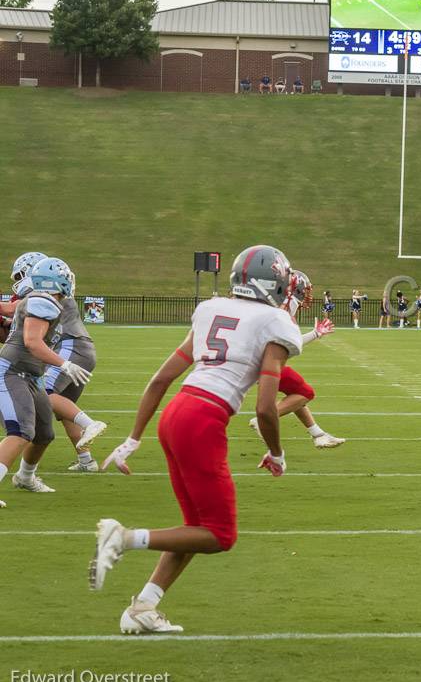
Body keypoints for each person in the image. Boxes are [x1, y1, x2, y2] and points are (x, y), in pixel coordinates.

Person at [89, 245, 302, 634]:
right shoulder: (275, 321)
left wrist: (133, 438)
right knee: (220, 535)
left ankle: (143, 607)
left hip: (176, 413)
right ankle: (122, 538)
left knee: (195, 526)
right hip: (203, 419)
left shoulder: (212, 309)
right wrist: (277, 453)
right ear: (274, 282)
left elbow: (160, 379)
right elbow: (266, 407)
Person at [0, 257, 91, 506]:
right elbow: (31, 342)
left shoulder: (41, 300)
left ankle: (25, 477)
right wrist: (65, 364)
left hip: (32, 375)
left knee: (43, 433)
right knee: (20, 431)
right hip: (13, 372)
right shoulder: (42, 301)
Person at [248, 270, 345, 450]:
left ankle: (318, 434)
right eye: (303, 289)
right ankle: (264, 421)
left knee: (296, 393)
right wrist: (315, 334)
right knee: (305, 393)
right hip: (264, 362)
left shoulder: (273, 305)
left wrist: (315, 334)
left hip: (259, 359)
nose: (306, 294)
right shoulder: (283, 309)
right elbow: (289, 346)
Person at [41, 261, 108, 473]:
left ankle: (90, 424)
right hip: (80, 348)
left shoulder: (48, 297)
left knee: (45, 392)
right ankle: (87, 460)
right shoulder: (57, 295)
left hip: (71, 346)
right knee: (65, 409)